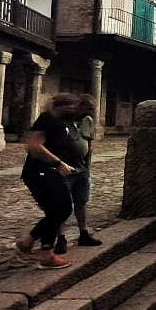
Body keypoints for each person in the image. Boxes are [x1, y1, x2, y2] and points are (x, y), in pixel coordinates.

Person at [15, 94, 86, 269]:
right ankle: (45, 254)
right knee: (59, 210)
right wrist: (58, 163)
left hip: (53, 172)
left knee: (59, 211)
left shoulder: (63, 120)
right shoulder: (46, 119)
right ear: (63, 106)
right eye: (72, 106)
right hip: (39, 172)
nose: (75, 109)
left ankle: (28, 243)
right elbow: (34, 146)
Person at [55, 94, 102, 255]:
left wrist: (88, 165)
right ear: (79, 106)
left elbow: (89, 143)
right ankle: (60, 238)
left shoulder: (87, 121)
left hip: (81, 168)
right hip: (64, 168)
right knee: (61, 204)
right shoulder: (61, 121)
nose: (91, 112)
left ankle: (83, 233)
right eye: (88, 108)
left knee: (81, 202)